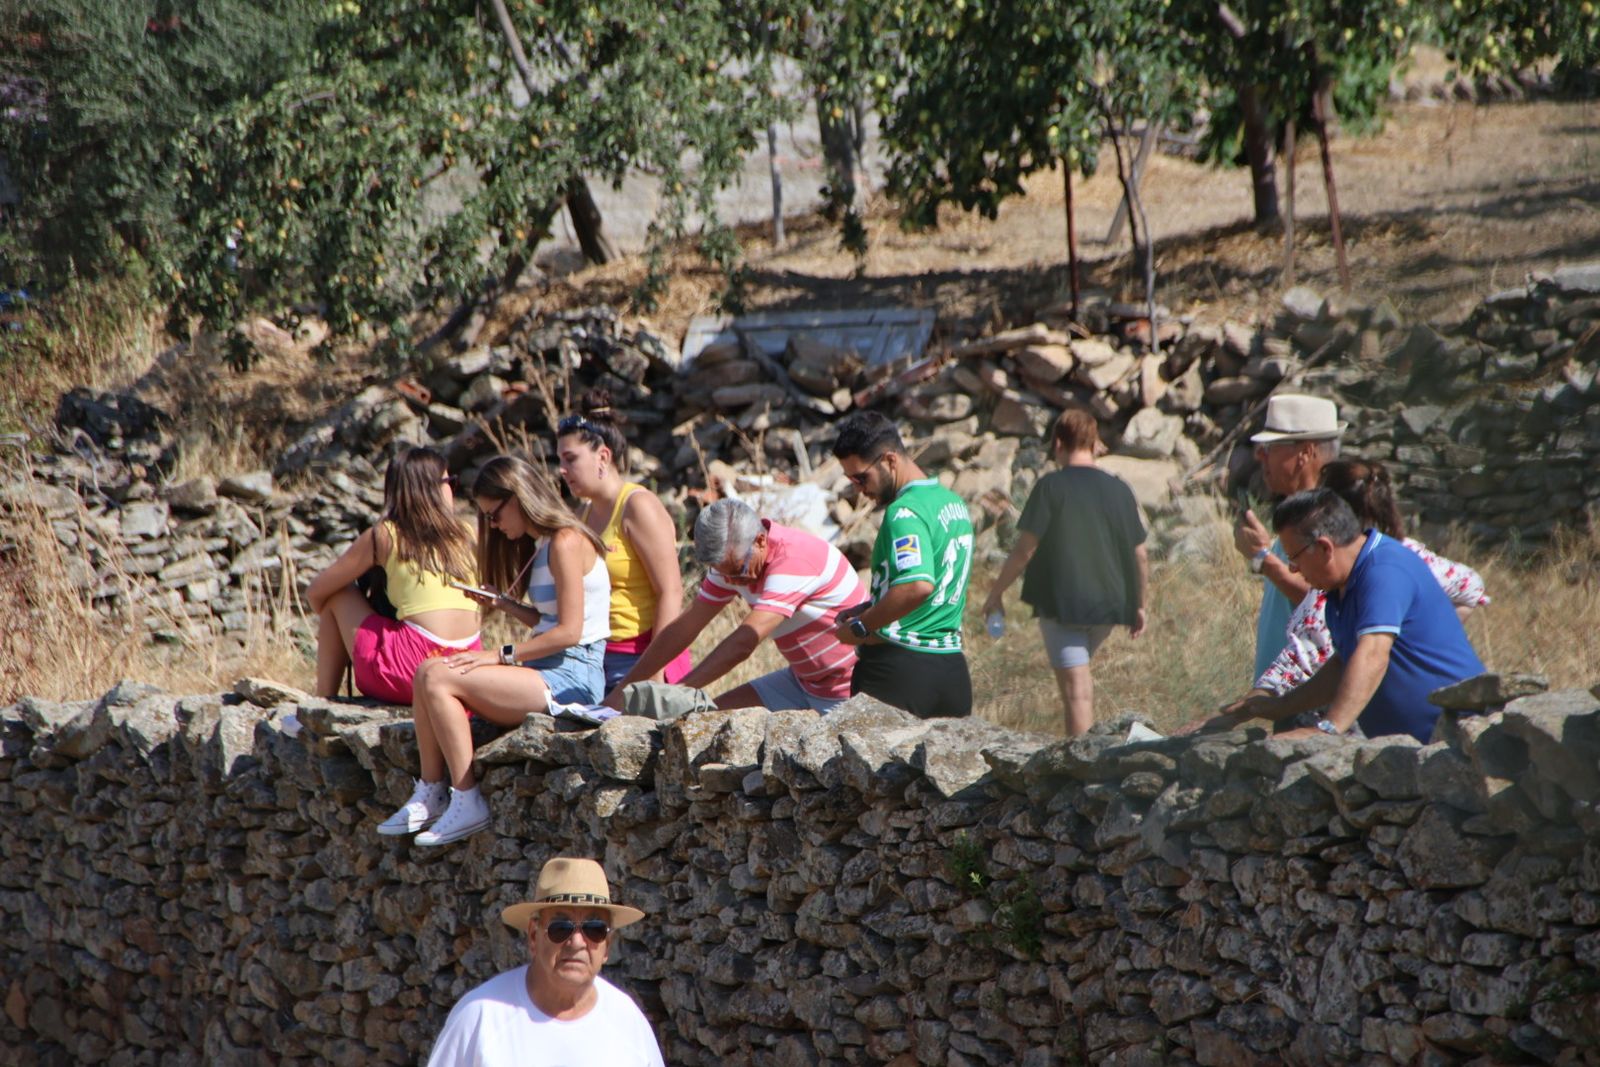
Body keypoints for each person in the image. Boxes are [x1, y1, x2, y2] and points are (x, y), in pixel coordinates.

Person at [382, 456, 611, 847]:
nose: (493, 525)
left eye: (494, 514)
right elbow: (548, 621)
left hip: (574, 677)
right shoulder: (545, 544)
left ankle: (465, 798)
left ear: (517, 497)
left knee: (438, 675)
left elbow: (570, 632)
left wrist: (500, 655)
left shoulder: (566, 541)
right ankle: (432, 789)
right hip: (549, 669)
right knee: (428, 670)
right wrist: (505, 604)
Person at [1184, 488, 1485, 743]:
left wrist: (1326, 731)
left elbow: (1371, 655)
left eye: (1295, 558)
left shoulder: (1384, 571)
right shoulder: (1338, 589)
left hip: (1460, 739)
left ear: (1324, 547)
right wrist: (1278, 706)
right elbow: (1343, 664)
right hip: (1415, 753)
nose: (1293, 570)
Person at [1249, 459, 1489, 699]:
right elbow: (1470, 586)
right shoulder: (1408, 554)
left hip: (1342, 718)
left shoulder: (1340, 579)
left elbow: (1305, 656)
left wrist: (1405, 641)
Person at [602, 498, 866, 712]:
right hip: (802, 681)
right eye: (723, 573)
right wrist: (622, 691)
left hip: (846, 688)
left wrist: (679, 692)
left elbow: (744, 642)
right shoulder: (734, 561)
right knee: (709, 724)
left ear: (760, 540)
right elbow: (686, 626)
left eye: (736, 572)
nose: (731, 581)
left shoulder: (794, 561)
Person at [980, 409, 1148, 736]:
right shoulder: (1119, 489)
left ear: (1058, 442)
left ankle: (1082, 771)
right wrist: (1139, 605)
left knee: (1076, 692)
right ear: (1094, 442)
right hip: (1110, 607)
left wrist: (996, 593)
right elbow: (1140, 555)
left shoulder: (1051, 487)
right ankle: (1087, 756)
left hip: (1063, 605)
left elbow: (1024, 550)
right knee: (1079, 681)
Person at [425, 857, 665, 1067]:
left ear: (607, 946)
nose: (577, 942)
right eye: (561, 928)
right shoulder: (481, 1017)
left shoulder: (627, 1022)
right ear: (533, 935)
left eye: (595, 929)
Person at [306, 447, 482, 704]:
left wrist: (339, 625)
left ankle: (322, 702)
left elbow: (316, 591)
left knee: (339, 594)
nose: (453, 489)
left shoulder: (387, 535)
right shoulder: (468, 533)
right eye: (449, 482)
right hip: (467, 670)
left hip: (412, 668)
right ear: (429, 488)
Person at [830, 411, 975, 719]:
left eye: (861, 477)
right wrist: (868, 607)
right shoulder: (953, 504)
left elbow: (917, 585)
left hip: (898, 673)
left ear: (889, 461)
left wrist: (861, 626)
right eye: (850, 480)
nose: (858, 489)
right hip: (951, 671)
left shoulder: (904, 512)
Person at [556, 391, 692, 690]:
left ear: (603, 456)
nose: (562, 470)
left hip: (640, 656)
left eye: (570, 459)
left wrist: (655, 672)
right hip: (595, 656)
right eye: (560, 460)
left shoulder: (638, 506)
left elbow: (671, 591)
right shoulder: (585, 511)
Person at [1234, 394, 1344, 681]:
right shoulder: (1301, 513)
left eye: (1271, 446)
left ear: (1306, 453)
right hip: (1289, 695)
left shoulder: (1332, 517)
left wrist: (1262, 558)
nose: (1259, 455)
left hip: (1310, 702)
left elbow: (1320, 603)